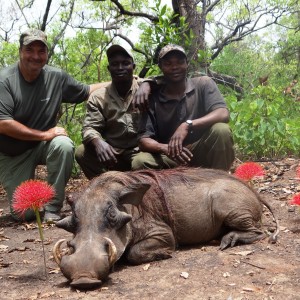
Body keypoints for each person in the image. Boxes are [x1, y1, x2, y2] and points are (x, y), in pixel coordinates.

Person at [0, 29, 104, 222]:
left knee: (63, 144)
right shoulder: (4, 80)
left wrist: (124, 81)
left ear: (47, 54)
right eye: (30, 50)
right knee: (25, 213)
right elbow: (3, 124)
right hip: (12, 153)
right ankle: (33, 205)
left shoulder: (56, 77)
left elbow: (86, 91)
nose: (36, 56)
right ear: (20, 51)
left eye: (41, 51)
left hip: (41, 146)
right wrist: (44, 135)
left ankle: (52, 208)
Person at [133, 44, 235, 171]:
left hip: (201, 150)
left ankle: (221, 181)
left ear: (187, 63)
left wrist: (188, 125)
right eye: (168, 64)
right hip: (171, 156)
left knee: (221, 130)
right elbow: (144, 140)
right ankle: (168, 188)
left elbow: (223, 113)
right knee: (139, 162)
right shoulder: (152, 97)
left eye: (180, 62)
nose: (175, 67)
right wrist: (165, 148)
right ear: (161, 67)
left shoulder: (203, 84)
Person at [75, 44, 144, 179]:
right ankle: (107, 186)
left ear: (133, 66)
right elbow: (89, 127)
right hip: (113, 153)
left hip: (140, 151)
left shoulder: (145, 88)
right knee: (81, 152)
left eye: (125, 63)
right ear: (109, 68)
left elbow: (164, 81)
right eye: (115, 64)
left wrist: (147, 84)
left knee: (142, 162)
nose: (120, 68)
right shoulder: (98, 97)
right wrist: (98, 142)